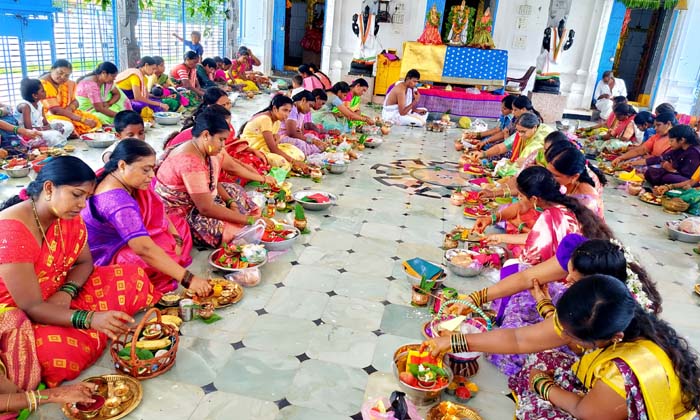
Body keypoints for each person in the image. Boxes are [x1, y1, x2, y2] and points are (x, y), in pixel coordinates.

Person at [425, 274, 698, 420]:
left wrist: (542, 385)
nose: (564, 337)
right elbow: (520, 339)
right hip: (601, 392)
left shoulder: (626, 371)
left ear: (614, 338)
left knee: (538, 409)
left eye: (574, 339)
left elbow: (584, 412)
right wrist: (453, 341)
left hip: (604, 409)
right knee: (545, 354)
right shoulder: (598, 313)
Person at [0, 156, 159, 387]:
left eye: (86, 197)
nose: (82, 205)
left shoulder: (65, 215)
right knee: (59, 355)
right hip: (21, 311)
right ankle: (96, 327)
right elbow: (31, 307)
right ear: (48, 188)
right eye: (76, 195)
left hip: (61, 292)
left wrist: (67, 291)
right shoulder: (12, 232)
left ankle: (97, 327)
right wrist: (90, 318)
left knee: (131, 275)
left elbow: (85, 263)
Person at [446, 238, 661, 376]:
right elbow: (527, 276)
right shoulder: (588, 258)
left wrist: (456, 342)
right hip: (573, 324)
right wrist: (475, 298)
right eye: (568, 272)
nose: (565, 280)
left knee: (518, 355)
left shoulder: (598, 315)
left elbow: (520, 340)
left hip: (586, 350)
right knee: (518, 273)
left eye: (574, 281)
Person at [83, 140, 211, 295]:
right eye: (146, 170)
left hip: (131, 236)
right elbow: (143, 249)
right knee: (142, 261)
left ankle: (169, 259)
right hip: (109, 253)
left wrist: (176, 237)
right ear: (122, 165)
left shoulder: (123, 178)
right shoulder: (117, 202)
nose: (151, 175)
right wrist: (189, 279)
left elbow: (158, 209)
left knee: (179, 225)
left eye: (152, 169)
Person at [154, 108, 272, 247]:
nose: (223, 145)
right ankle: (241, 225)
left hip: (200, 199)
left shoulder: (204, 149)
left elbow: (213, 182)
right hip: (182, 212)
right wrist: (250, 220)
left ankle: (240, 219)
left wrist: (230, 202)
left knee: (234, 190)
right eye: (221, 140)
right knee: (222, 228)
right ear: (205, 135)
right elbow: (205, 209)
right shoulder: (190, 162)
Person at [472, 113, 553, 177]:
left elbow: (520, 167)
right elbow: (503, 147)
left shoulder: (538, 142)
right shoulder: (523, 131)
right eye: (518, 131)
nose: (520, 135)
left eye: (523, 132)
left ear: (534, 127)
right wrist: (483, 154)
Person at [240, 95, 307, 172]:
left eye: (289, 111)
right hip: (254, 148)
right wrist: (294, 161)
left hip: (266, 147)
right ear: (275, 109)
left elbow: (274, 144)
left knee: (299, 154)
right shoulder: (265, 119)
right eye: (285, 110)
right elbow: (273, 148)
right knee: (282, 162)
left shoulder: (277, 121)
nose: (287, 114)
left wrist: (277, 138)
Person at [40, 59, 101, 136]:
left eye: (67, 75)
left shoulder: (69, 83)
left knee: (93, 119)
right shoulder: (44, 84)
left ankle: (71, 133)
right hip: (49, 116)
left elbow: (76, 102)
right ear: (52, 69)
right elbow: (55, 110)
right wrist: (82, 120)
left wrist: (70, 108)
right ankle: (69, 133)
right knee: (67, 125)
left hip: (67, 112)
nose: (62, 77)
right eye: (60, 73)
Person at [15, 79, 70, 146]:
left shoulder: (39, 103)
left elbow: (45, 123)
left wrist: (54, 126)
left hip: (40, 129)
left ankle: (53, 139)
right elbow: (28, 129)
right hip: (29, 134)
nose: (45, 92)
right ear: (35, 95)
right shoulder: (25, 106)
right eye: (42, 91)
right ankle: (54, 141)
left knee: (67, 125)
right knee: (55, 135)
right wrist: (49, 128)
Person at [612, 112, 676, 168]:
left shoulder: (677, 140)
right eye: (655, 125)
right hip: (650, 160)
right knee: (626, 163)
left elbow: (661, 159)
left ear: (668, 124)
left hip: (660, 165)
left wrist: (636, 162)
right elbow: (641, 150)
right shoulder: (657, 136)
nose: (655, 128)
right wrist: (621, 158)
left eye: (658, 125)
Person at [279, 90, 328, 157]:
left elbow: (302, 132)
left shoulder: (301, 112)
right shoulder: (291, 109)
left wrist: (312, 139)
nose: (309, 109)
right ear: (303, 100)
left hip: (294, 136)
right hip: (283, 137)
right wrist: (312, 141)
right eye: (310, 106)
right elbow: (291, 133)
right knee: (301, 143)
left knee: (312, 136)